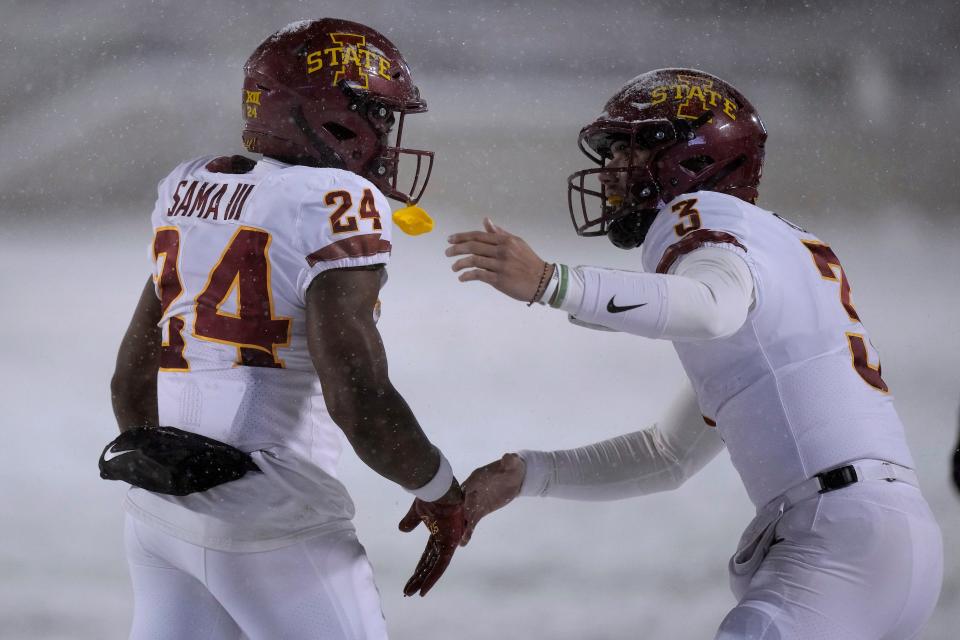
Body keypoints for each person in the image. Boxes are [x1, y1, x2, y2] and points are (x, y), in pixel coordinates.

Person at [445, 68, 943, 639]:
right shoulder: (775, 248)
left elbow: (711, 306)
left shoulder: (705, 214)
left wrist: (551, 283)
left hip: (834, 543)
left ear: (691, 160)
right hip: (893, 542)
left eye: (628, 151)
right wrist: (528, 473)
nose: (610, 171)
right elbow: (668, 454)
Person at [108, 19, 463, 640]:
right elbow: (359, 401)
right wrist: (439, 489)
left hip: (158, 514)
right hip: (273, 519)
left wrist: (174, 477)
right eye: (377, 114)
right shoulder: (331, 201)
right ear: (332, 115)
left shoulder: (189, 184)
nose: (385, 134)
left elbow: (130, 379)